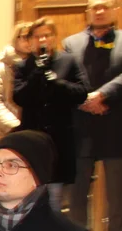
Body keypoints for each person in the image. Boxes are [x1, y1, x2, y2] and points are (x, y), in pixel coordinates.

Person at [63, 0, 122, 231]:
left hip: (117, 127)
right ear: (87, 12)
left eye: (105, 7)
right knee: (76, 195)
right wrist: (85, 100)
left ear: (115, 11)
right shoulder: (71, 43)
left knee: (118, 196)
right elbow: (64, 79)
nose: (99, 11)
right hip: (81, 129)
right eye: (94, 7)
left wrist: (101, 96)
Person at [13, 17, 89, 210]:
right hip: (33, 138)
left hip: (60, 139)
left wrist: (57, 82)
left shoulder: (68, 61)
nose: (42, 41)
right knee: (31, 193)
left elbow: (82, 92)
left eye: (47, 36)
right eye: (38, 37)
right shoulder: (24, 66)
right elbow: (19, 97)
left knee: (54, 197)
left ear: (54, 37)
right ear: (31, 41)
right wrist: (36, 74)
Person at [0, 21, 33, 143]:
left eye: (32, 36)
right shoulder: (1, 68)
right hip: (6, 133)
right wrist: (15, 126)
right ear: (16, 39)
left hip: (34, 132)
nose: (29, 41)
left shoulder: (38, 66)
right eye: (25, 37)